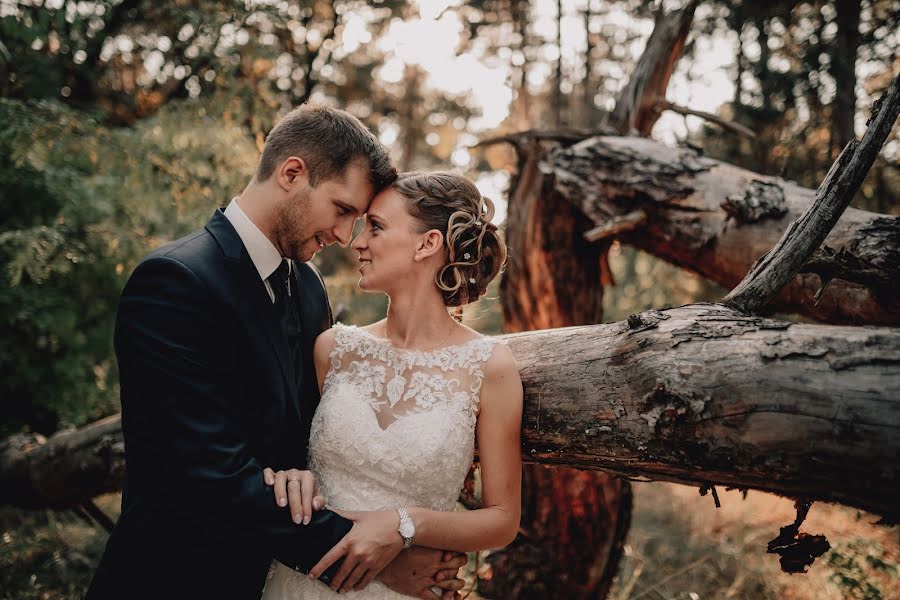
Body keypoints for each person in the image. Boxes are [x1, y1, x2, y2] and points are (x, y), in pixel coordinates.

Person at [85, 106, 466, 599]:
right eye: (343, 209)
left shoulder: (307, 288)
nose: (344, 236)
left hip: (269, 582)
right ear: (291, 174)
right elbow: (207, 469)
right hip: (172, 577)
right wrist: (366, 563)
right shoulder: (174, 281)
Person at [261, 171, 524, 598]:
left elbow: (501, 519)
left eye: (377, 227)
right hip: (302, 582)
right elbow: (286, 464)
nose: (357, 242)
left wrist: (403, 524)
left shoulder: (489, 367)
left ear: (428, 244)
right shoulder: (333, 349)